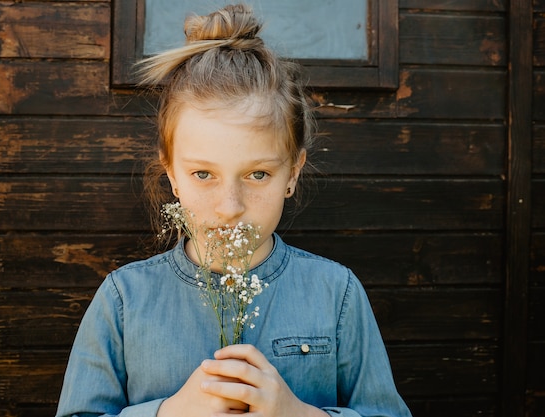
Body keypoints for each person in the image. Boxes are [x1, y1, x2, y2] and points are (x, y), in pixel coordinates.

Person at [55, 4, 412, 417]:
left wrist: (299, 414)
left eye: (258, 174)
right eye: (203, 174)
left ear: (292, 173)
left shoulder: (337, 294)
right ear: (172, 174)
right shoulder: (123, 300)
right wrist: (170, 412)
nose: (230, 207)